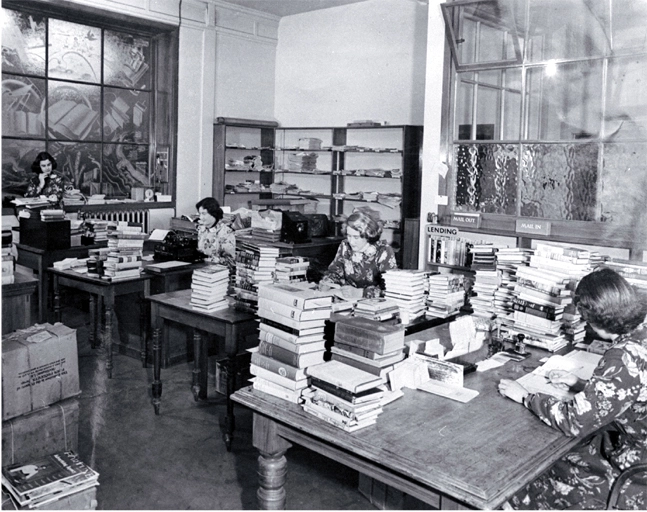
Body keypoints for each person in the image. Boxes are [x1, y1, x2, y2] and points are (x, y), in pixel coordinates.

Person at [498, 267, 647, 510]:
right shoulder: (641, 333)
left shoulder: (622, 356)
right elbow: (630, 391)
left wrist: (526, 396)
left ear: (593, 319)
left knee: (527, 476)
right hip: (635, 446)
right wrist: (579, 385)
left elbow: (573, 421)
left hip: (634, 472)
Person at [319, 208, 397, 299]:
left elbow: (391, 289)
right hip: (347, 299)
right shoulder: (345, 246)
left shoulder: (384, 251)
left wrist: (361, 293)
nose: (351, 242)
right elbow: (335, 271)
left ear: (368, 235)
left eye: (356, 237)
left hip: (373, 304)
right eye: (349, 236)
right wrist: (327, 282)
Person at [195, 197, 235, 269]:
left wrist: (207, 260)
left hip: (218, 273)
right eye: (199, 214)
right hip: (202, 269)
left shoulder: (226, 232)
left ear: (213, 213)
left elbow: (230, 262)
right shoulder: (201, 229)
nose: (200, 217)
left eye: (204, 214)